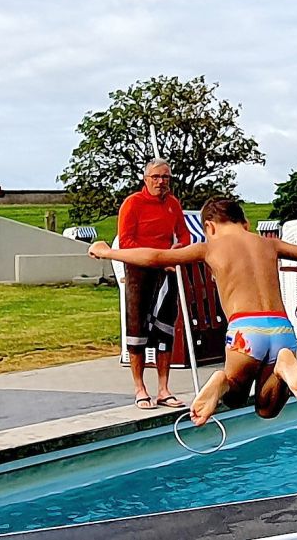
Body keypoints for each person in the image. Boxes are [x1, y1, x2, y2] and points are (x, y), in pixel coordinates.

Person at [90, 197, 297, 426]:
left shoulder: (209, 248)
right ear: (245, 223)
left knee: (235, 397)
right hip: (282, 329)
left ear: (209, 226)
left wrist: (106, 252)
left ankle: (221, 381)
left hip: (245, 331)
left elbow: (154, 257)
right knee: (267, 408)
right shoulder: (268, 243)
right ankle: (284, 365)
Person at [117, 158, 191, 410]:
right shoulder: (132, 204)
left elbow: (184, 234)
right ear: (146, 179)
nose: (161, 182)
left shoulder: (172, 204)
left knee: (165, 329)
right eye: (156, 177)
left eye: (166, 178)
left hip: (167, 271)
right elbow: (125, 242)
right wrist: (155, 258)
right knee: (137, 329)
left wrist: (176, 250)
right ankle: (140, 388)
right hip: (139, 272)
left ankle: (163, 388)